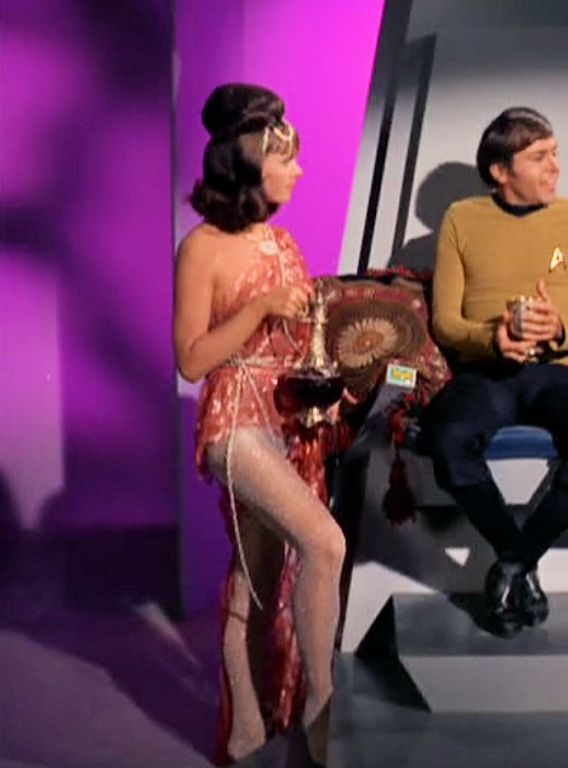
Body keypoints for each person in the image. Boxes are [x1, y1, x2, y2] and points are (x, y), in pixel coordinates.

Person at [173, 83, 344, 765]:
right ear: (248, 163)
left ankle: (246, 730)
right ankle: (322, 710)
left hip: (284, 419)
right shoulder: (202, 248)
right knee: (325, 545)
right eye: (285, 159)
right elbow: (191, 359)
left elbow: (301, 342)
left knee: (256, 576)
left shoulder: (282, 240)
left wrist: (324, 390)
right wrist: (260, 308)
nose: (299, 171)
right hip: (234, 421)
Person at [421, 107, 568, 637]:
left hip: (559, 373)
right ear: (500, 170)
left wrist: (561, 327)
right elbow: (445, 322)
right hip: (487, 373)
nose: (555, 166)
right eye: (539, 157)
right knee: (448, 437)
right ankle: (520, 561)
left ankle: (512, 564)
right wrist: (492, 338)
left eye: (555, 153)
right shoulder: (461, 220)